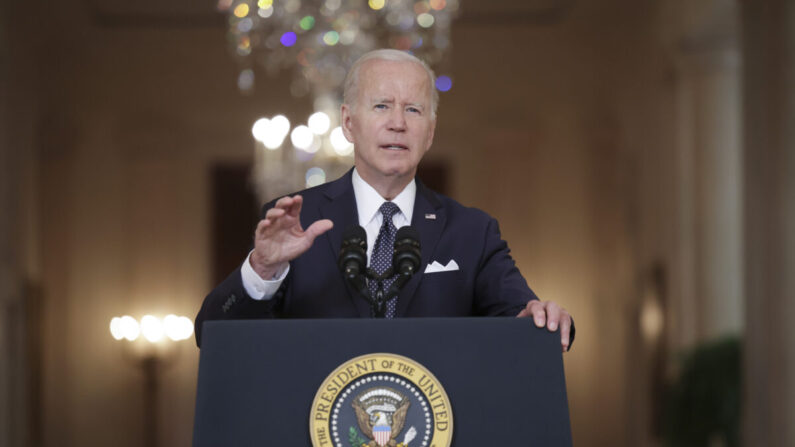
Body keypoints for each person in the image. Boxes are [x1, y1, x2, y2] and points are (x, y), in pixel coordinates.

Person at [195, 49, 573, 350]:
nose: (398, 122)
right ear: (348, 123)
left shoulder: (473, 231)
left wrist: (539, 319)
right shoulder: (298, 219)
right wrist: (262, 269)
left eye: (413, 109)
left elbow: (522, 319)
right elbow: (212, 335)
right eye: (381, 106)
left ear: (430, 132)